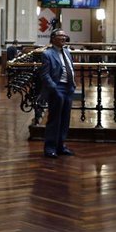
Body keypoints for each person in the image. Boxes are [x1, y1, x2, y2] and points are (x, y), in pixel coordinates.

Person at [38, 29, 77, 158]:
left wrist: (73, 85)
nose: (63, 38)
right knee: (55, 120)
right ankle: (50, 148)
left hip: (68, 88)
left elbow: (70, 68)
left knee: (65, 119)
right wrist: (54, 89)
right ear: (53, 38)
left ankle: (61, 146)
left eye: (65, 36)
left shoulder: (67, 52)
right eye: (60, 36)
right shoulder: (47, 54)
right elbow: (45, 75)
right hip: (57, 88)